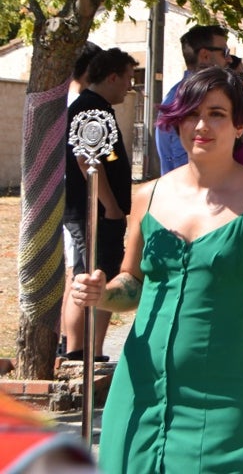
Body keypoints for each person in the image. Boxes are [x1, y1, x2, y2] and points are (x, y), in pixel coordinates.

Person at [73, 66, 243, 473]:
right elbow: (133, 283)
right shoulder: (149, 195)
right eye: (190, 113)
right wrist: (104, 294)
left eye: (216, 113)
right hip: (140, 386)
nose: (201, 125)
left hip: (222, 391)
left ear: (239, 126)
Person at [62, 47, 136, 361]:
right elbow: (86, 160)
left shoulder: (96, 107)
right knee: (95, 277)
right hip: (95, 213)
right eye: (128, 79)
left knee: (85, 274)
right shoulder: (93, 110)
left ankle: (81, 349)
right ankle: (82, 350)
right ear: (112, 76)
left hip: (94, 211)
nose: (129, 87)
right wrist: (111, 206)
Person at [156, 24, 230, 173]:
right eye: (225, 52)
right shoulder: (187, 98)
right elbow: (187, 165)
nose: (228, 59)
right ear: (205, 56)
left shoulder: (180, 94)